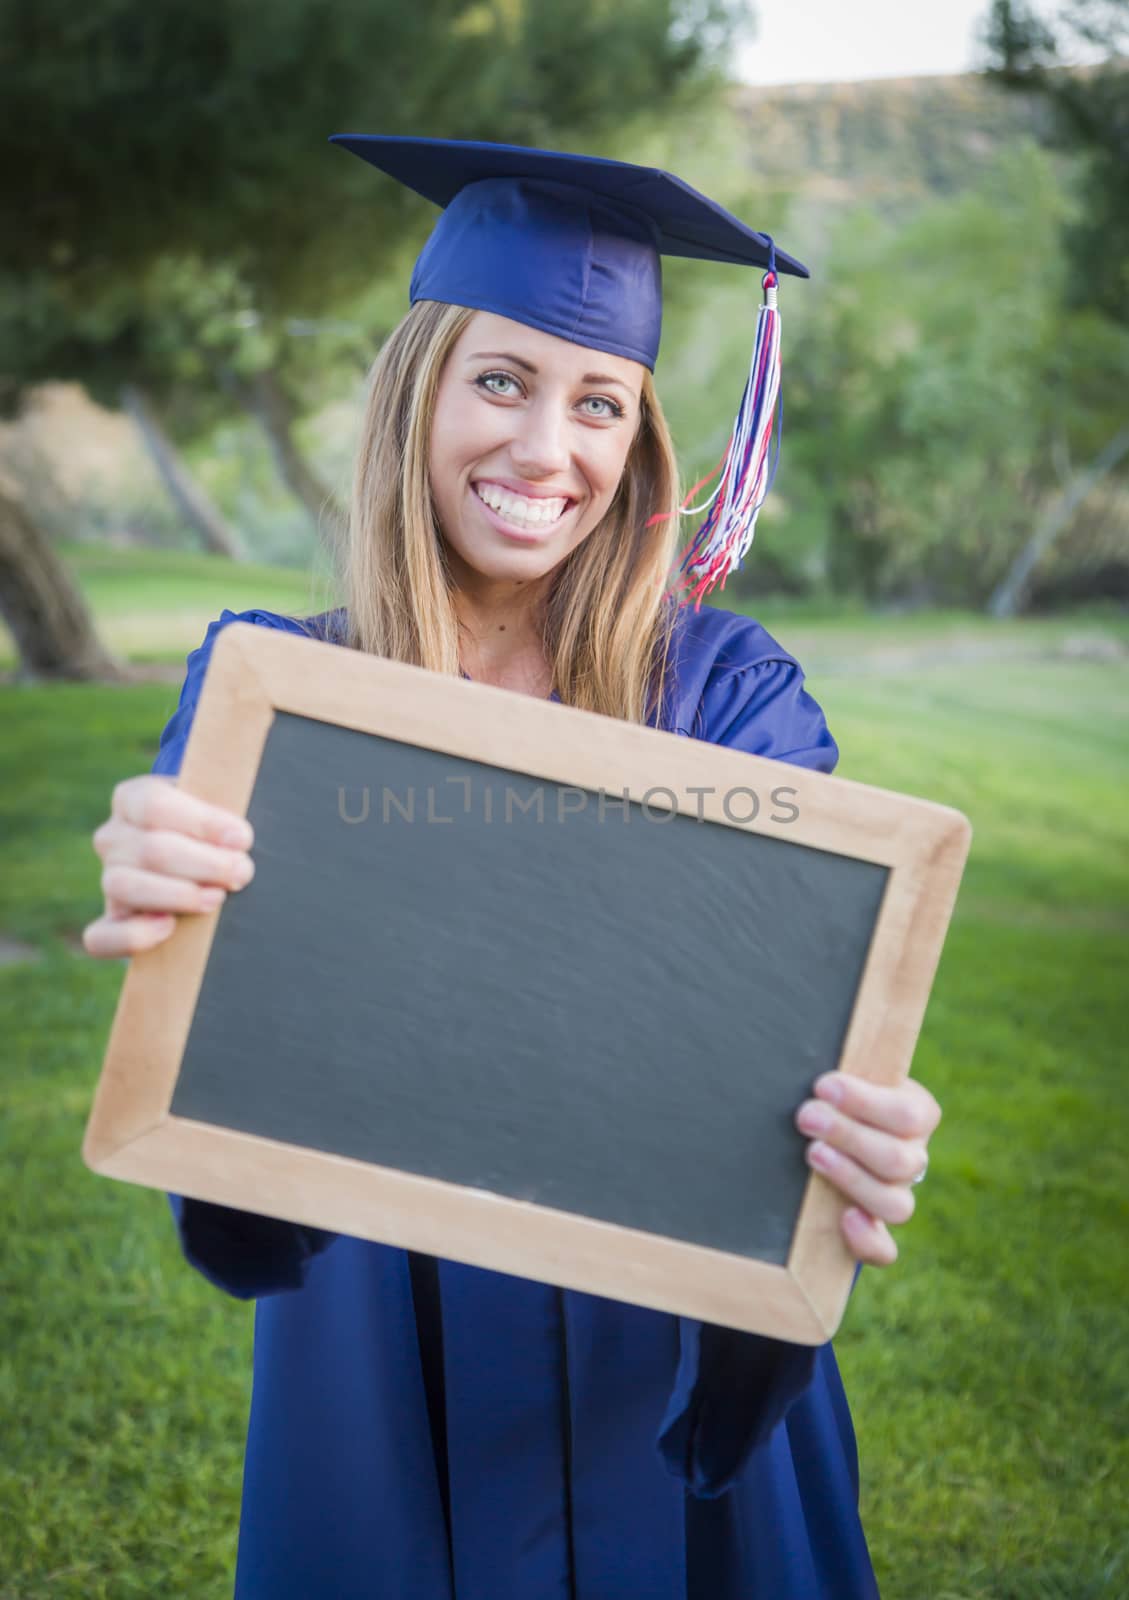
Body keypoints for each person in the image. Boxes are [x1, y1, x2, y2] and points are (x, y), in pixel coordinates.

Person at [82, 138, 940, 1599]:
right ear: (414, 393)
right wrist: (169, 904)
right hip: (383, 1327)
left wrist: (859, 1124)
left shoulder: (727, 696)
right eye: (500, 381)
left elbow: (794, 1022)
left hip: (665, 1330)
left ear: (637, 443)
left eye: (597, 402)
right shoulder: (273, 693)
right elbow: (228, 1108)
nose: (548, 451)